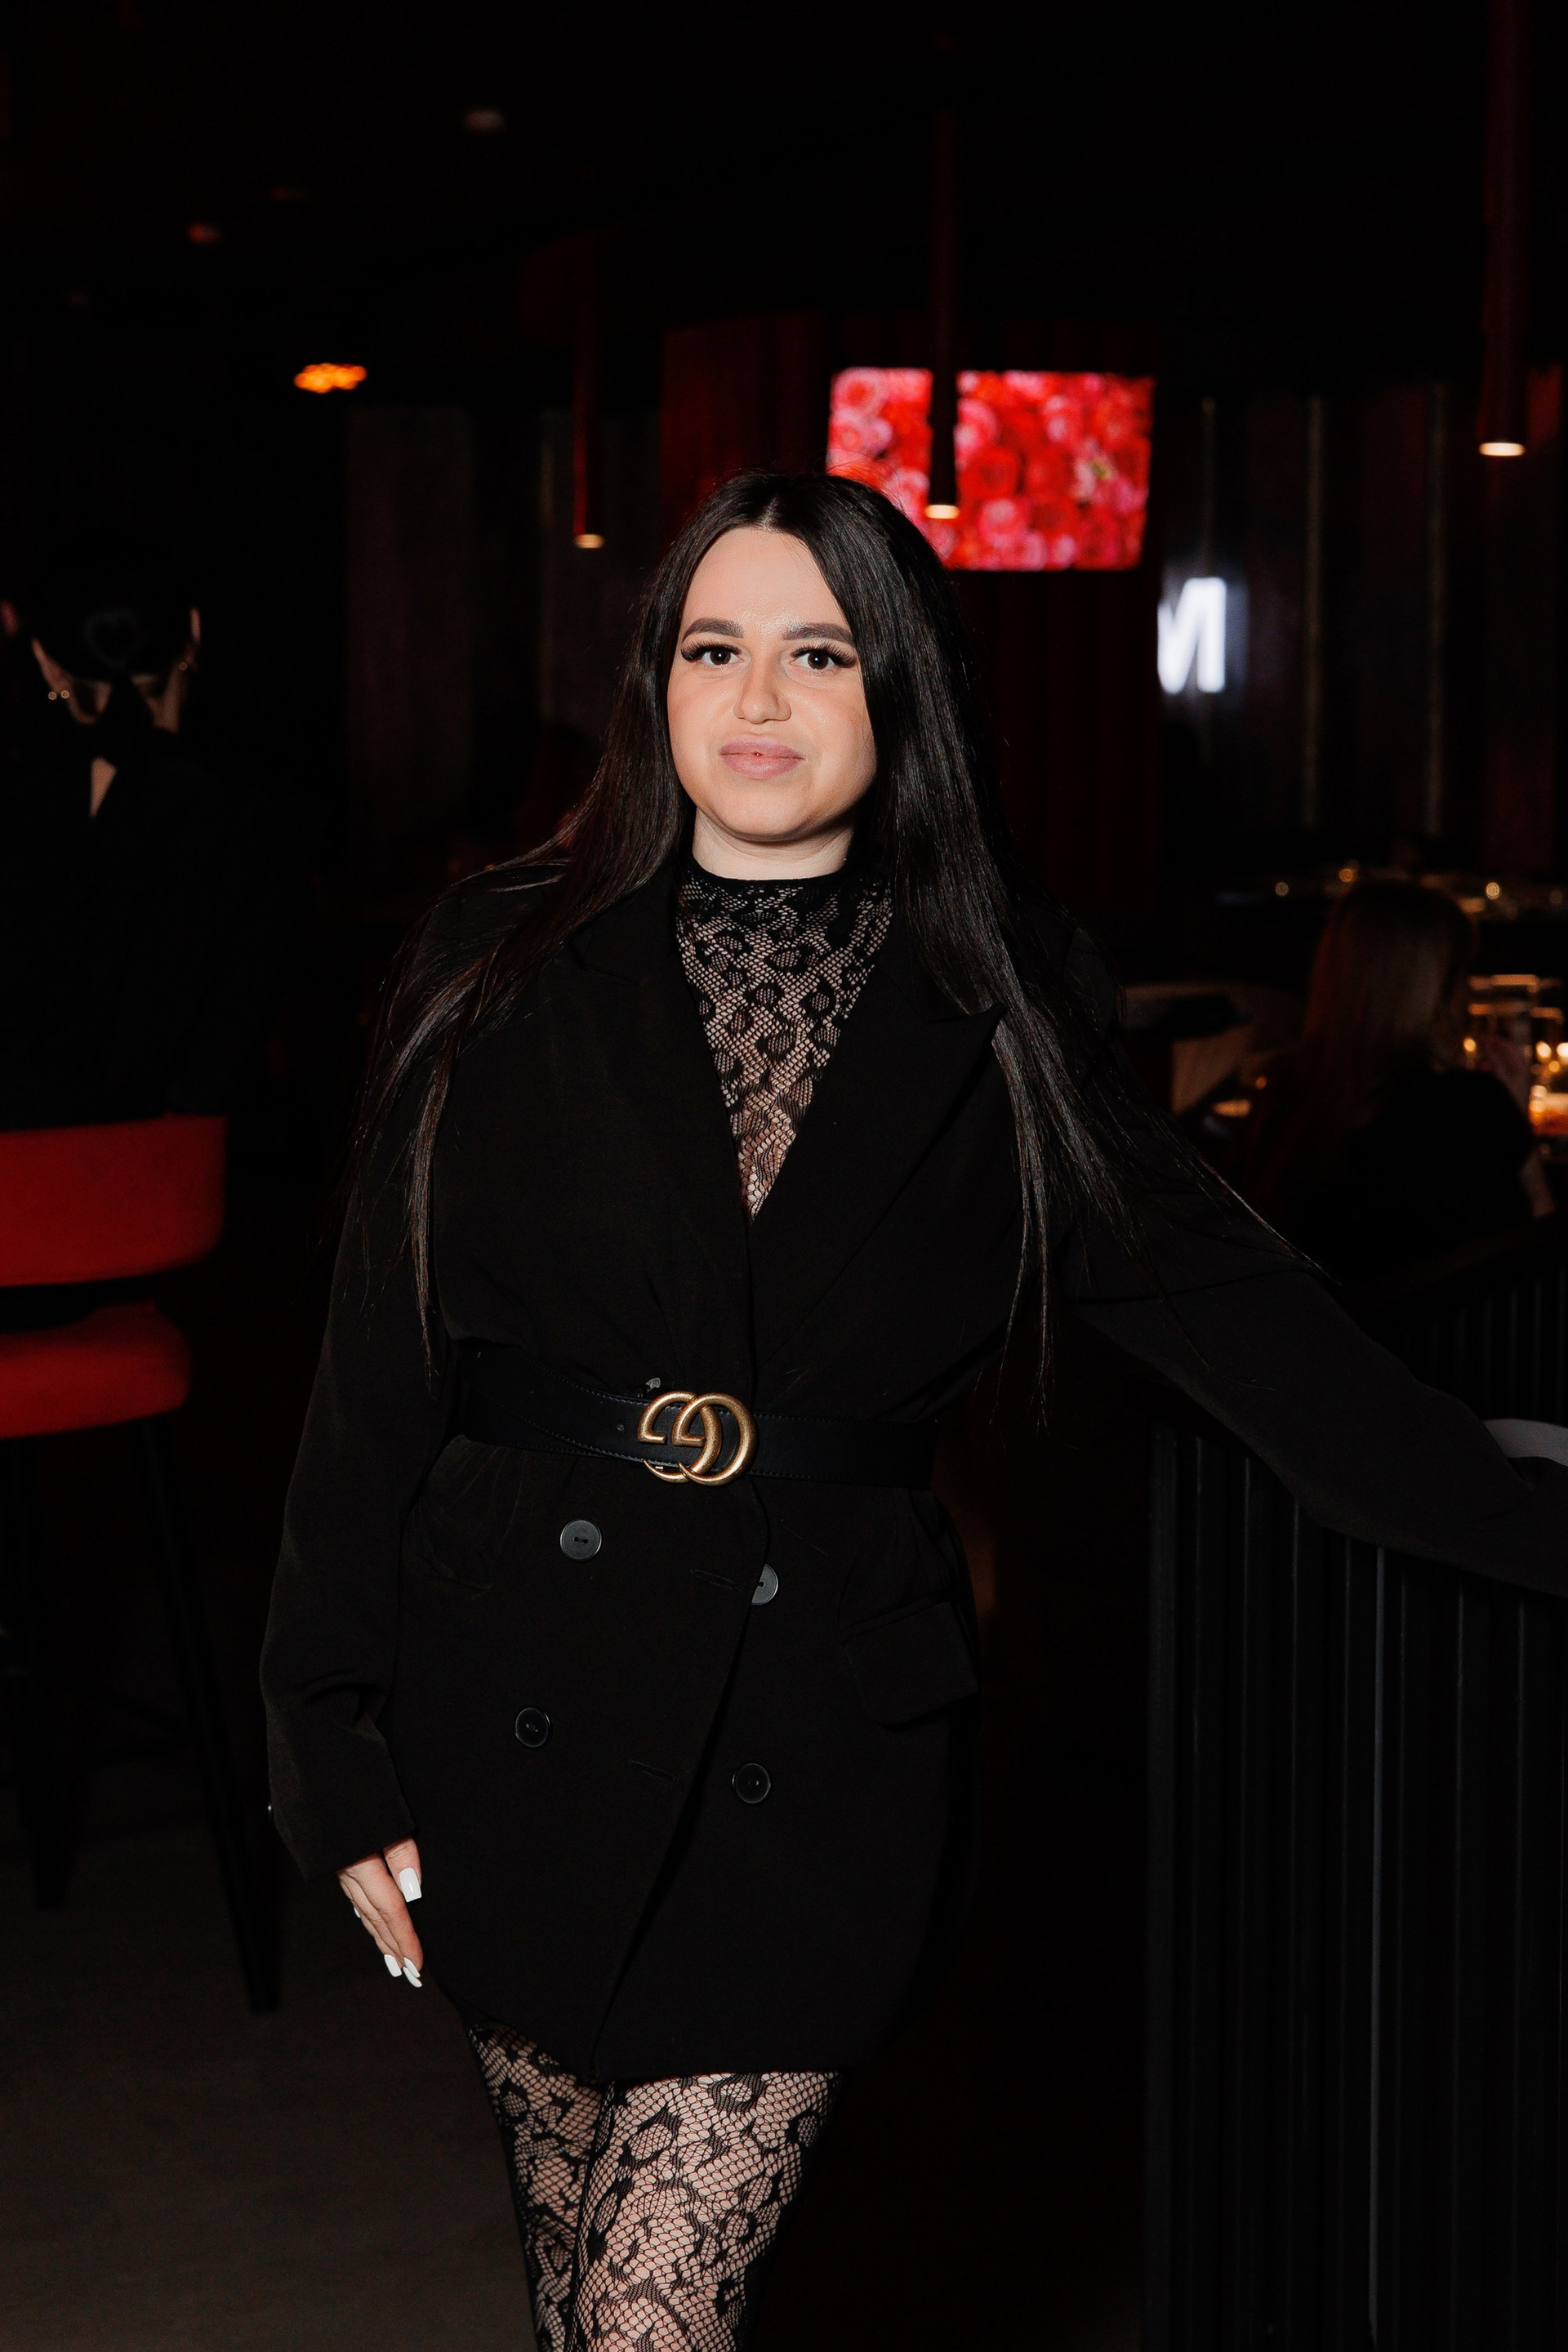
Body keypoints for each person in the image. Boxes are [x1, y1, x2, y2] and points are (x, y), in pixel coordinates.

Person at [261, 475, 1568, 2352]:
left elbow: (1251, 1324)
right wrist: (325, 1730)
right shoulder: (502, 955)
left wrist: (1520, 1520)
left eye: (820, 653)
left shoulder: (1002, 990)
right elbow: (376, 1361)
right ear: (653, 684)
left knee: (645, 2323)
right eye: (713, 648)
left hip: (816, 1734)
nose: (757, 699)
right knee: (575, 2295)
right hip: (515, 1699)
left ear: (905, 690)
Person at [0, 535, 297, 1132]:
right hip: (156, 1179)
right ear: (193, 635)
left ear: (46, 661)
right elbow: (215, 1076)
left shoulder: (16, 805)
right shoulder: (252, 824)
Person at [1242, 877, 1552, 1280]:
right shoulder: (1463, 1108)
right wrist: (1516, 1124)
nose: (1468, 993)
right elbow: (1538, 1258)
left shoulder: (1284, 1091)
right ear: (1436, 989)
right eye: (1462, 975)